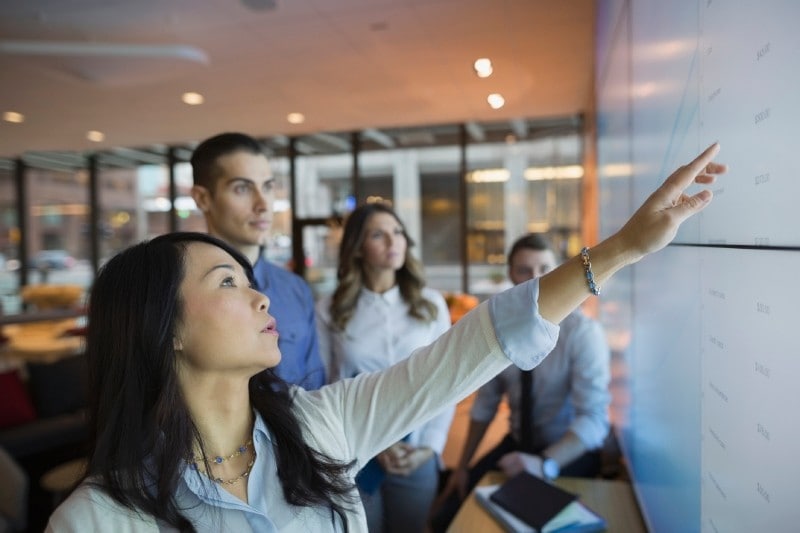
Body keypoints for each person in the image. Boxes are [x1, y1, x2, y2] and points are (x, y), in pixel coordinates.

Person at [46, 144, 725, 531]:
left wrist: (622, 250)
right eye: (226, 282)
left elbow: (475, 345)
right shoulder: (98, 518)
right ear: (163, 329)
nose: (259, 293)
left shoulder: (318, 427)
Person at [430, 233, 611, 531]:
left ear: (560, 269)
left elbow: (594, 420)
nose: (536, 278)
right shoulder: (501, 328)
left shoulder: (582, 333)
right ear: (511, 275)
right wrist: (461, 468)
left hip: (566, 450)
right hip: (516, 444)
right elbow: (485, 407)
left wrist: (545, 464)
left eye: (544, 268)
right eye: (524, 270)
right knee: (447, 518)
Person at [315, 202, 453, 532]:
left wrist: (430, 448)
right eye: (379, 235)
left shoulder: (431, 304)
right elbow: (323, 387)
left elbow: (446, 381)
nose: (394, 242)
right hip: (355, 454)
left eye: (398, 232)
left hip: (415, 451)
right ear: (358, 248)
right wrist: (371, 442)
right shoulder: (330, 309)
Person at [190, 132, 325, 389]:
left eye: (268, 187)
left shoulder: (295, 290)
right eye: (242, 188)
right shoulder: (181, 292)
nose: (263, 204)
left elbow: (315, 392)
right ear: (203, 198)